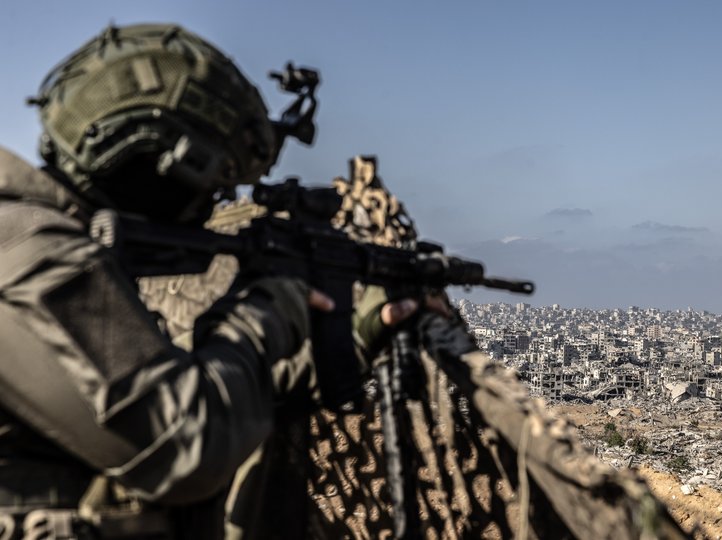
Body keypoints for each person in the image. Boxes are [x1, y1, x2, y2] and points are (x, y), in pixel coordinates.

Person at [0, 23, 418, 539]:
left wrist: (354, 333)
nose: (212, 207)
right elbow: (185, 445)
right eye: (213, 187)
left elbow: (132, 390)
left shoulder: (32, 238)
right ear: (164, 167)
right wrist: (266, 311)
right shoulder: (31, 253)